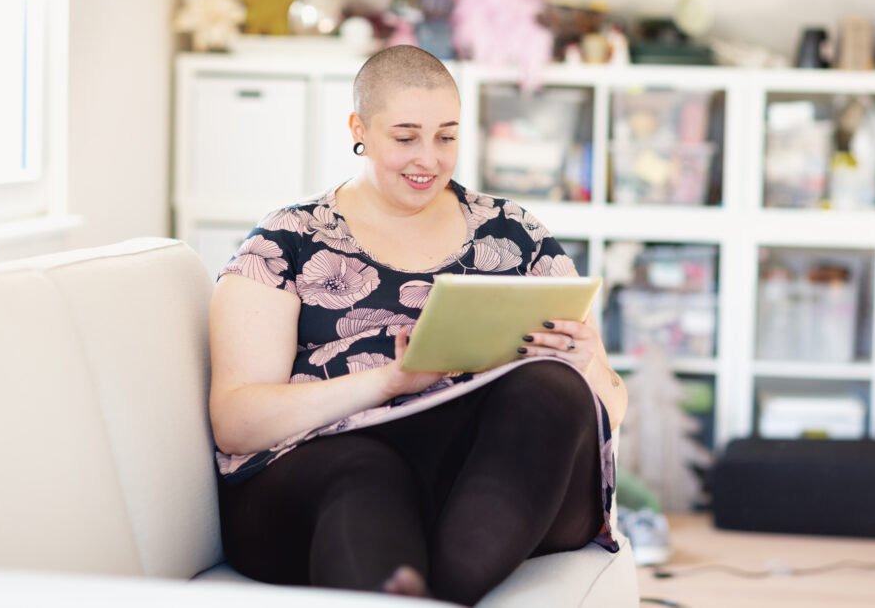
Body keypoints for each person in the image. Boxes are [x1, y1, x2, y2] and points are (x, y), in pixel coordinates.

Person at [209, 45, 628, 605]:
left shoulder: (516, 233)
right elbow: (235, 423)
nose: (428, 159)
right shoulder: (287, 239)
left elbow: (610, 407)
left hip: (489, 476)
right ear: (359, 128)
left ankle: (448, 582)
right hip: (328, 467)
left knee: (551, 386)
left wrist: (588, 367)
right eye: (405, 137)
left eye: (446, 137)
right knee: (367, 473)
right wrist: (387, 383)